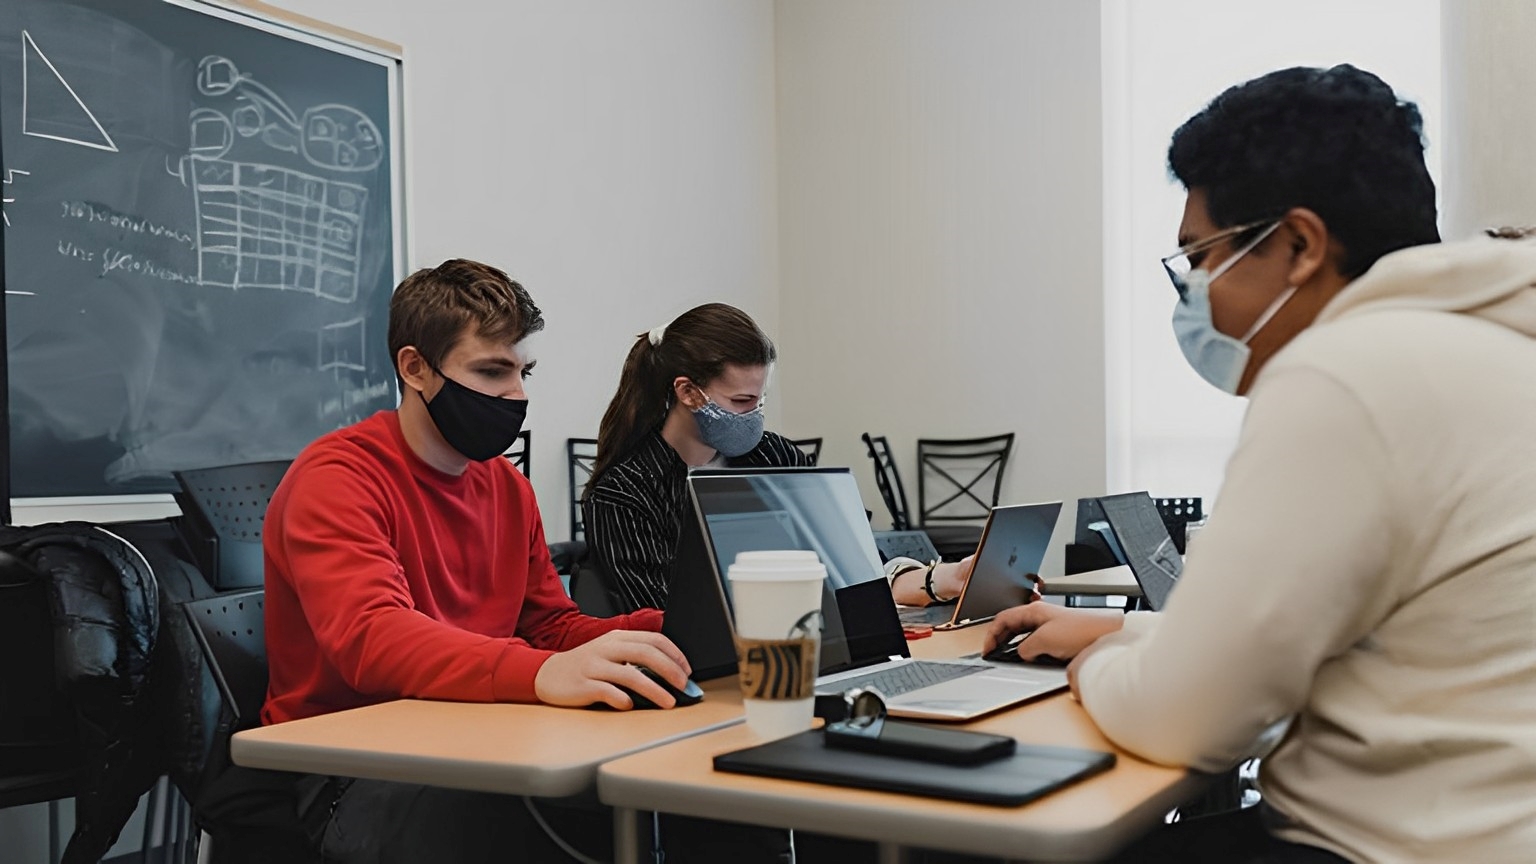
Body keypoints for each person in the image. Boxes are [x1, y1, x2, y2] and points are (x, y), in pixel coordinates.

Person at [986, 64, 1536, 863]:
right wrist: (1128, 631)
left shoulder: (1344, 371)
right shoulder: (1492, 345)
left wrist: (1103, 661)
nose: (1194, 294)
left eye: (1200, 258)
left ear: (1300, 244)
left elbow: (1188, 720)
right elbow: (1348, 637)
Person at [257, 259, 692, 864]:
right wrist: (539, 673)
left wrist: (678, 631)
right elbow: (372, 638)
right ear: (415, 368)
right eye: (492, 371)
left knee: (676, 797)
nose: (517, 395)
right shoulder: (337, 478)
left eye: (523, 372)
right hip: (348, 772)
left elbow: (547, 626)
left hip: (475, 736)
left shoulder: (506, 488)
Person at [583, 302, 972, 612]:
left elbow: (854, 562)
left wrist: (939, 581)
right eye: (741, 401)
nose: (754, 415)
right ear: (688, 393)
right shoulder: (623, 492)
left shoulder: (777, 456)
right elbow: (665, 619)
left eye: (760, 399)